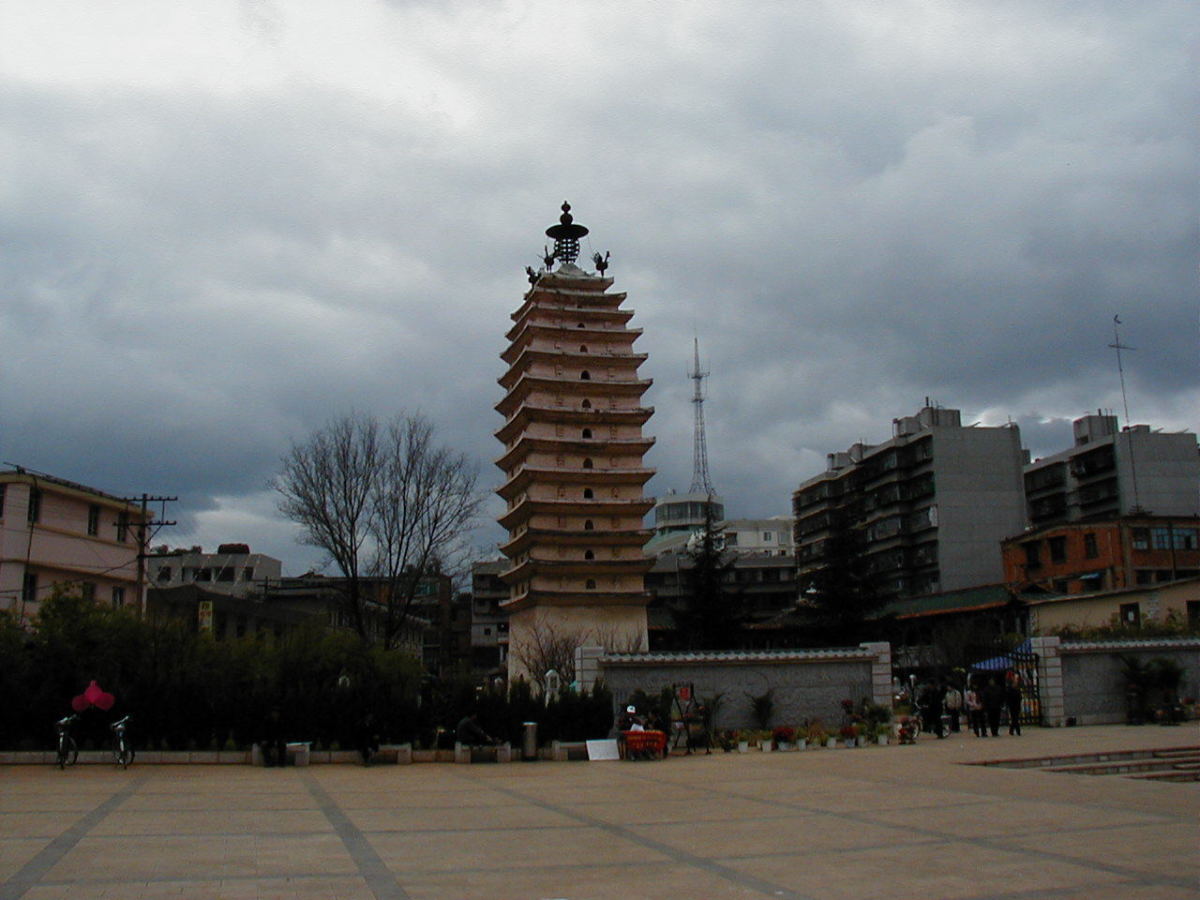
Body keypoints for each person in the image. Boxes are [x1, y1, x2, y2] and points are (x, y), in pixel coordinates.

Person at [1005, 669, 1024, 736]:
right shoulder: (1009, 689)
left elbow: (1020, 697)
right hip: (1012, 705)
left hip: (1017, 704)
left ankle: (1011, 730)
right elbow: (1008, 698)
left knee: (1015, 718)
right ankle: (1018, 730)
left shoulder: (1017, 689)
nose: (1016, 681)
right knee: (1015, 718)